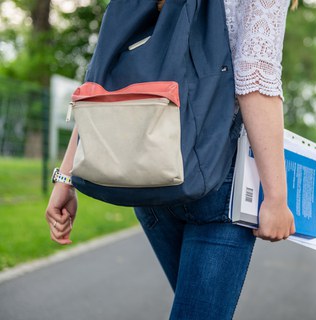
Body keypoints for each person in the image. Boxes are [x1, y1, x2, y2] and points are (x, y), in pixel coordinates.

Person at [45, 0, 298, 318]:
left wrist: (66, 176)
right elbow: (255, 81)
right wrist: (276, 198)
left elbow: (103, 85)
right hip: (218, 180)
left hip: (150, 166)